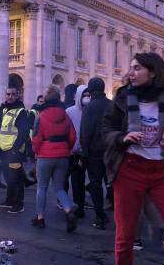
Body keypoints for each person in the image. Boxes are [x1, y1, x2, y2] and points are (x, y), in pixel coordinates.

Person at [102, 52, 164, 265]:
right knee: (125, 237)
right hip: (129, 169)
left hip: (162, 171)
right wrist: (122, 137)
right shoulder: (122, 97)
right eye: (132, 68)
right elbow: (106, 130)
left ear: (153, 72)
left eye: (137, 68)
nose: (131, 73)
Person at [31, 85, 78, 231]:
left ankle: (40, 218)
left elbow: (36, 137)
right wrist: (66, 148)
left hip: (45, 154)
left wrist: (36, 151)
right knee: (59, 187)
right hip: (63, 155)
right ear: (59, 98)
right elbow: (73, 136)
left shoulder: (41, 116)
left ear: (45, 99)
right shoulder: (65, 115)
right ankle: (69, 211)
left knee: (42, 187)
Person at [80, 77, 111, 230]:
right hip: (111, 150)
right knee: (111, 182)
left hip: (94, 152)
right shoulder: (112, 105)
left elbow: (85, 132)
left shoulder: (89, 107)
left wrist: (84, 153)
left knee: (95, 183)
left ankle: (100, 216)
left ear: (90, 90)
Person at [0, 87, 29, 214]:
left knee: (16, 178)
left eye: (13, 94)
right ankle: (9, 200)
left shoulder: (21, 112)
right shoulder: (4, 110)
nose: (10, 96)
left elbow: (23, 132)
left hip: (14, 152)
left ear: (18, 96)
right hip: (4, 150)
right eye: (8, 94)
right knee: (8, 177)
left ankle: (18, 204)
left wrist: (15, 149)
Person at [65, 84, 89, 219]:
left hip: (84, 152)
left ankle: (79, 205)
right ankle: (72, 204)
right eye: (84, 95)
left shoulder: (90, 110)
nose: (87, 98)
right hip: (71, 151)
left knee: (80, 181)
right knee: (71, 179)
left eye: (88, 95)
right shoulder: (69, 111)